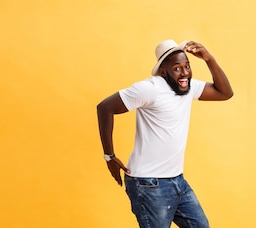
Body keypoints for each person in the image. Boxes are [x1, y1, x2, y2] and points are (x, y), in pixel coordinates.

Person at [96, 39, 233, 228]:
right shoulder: (150, 89)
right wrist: (109, 156)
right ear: (163, 71)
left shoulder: (188, 87)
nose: (184, 73)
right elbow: (104, 107)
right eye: (177, 68)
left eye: (187, 66)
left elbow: (225, 93)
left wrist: (209, 59)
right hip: (148, 183)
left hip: (177, 179)